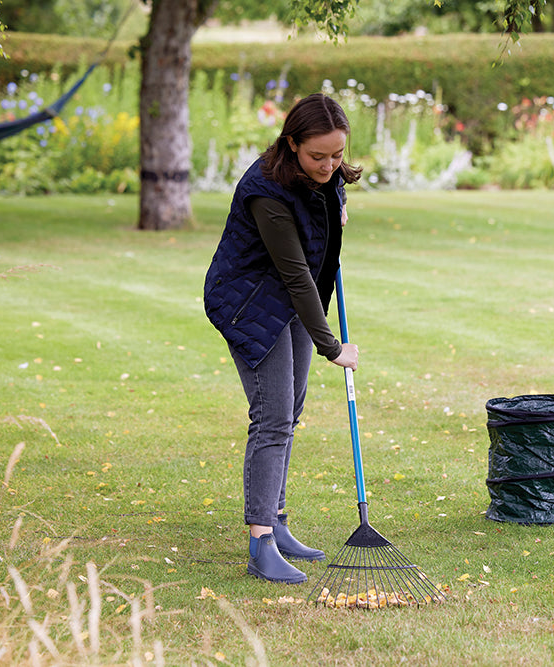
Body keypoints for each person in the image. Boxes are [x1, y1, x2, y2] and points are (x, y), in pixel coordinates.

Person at [204, 93, 362, 584]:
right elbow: (294, 272)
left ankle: (278, 521)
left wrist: (333, 217)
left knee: (290, 410)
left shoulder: (324, 175)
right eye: (319, 156)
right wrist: (332, 346)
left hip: (291, 298)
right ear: (291, 143)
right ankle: (260, 543)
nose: (330, 165)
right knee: (272, 417)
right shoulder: (265, 190)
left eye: (338, 154)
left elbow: (314, 249)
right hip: (249, 303)